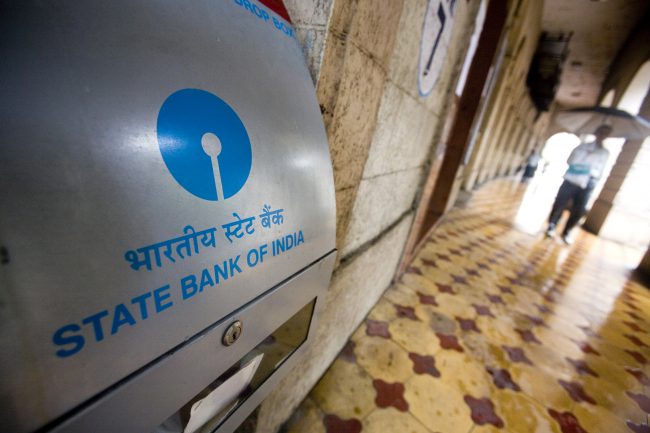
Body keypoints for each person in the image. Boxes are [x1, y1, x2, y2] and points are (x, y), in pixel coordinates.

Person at [545, 124, 612, 244]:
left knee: (579, 210)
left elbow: (601, 170)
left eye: (605, 133)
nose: (602, 135)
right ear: (596, 132)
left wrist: (592, 173)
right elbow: (570, 161)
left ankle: (567, 231)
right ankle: (552, 225)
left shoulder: (605, 153)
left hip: (588, 183)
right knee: (560, 203)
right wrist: (586, 157)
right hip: (571, 180)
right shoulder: (582, 147)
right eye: (601, 132)